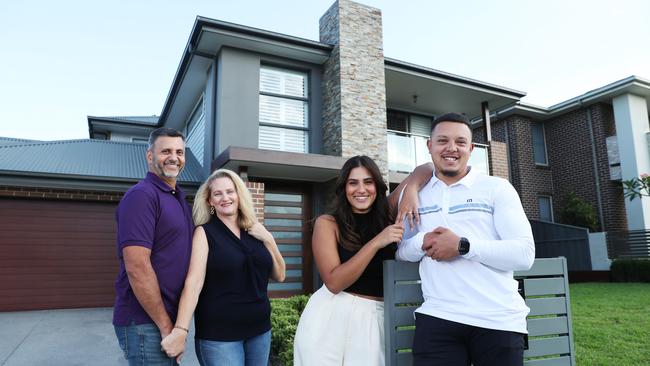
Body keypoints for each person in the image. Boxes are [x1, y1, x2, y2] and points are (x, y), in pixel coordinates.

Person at [397, 112, 535, 366]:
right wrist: (424, 241)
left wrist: (462, 246)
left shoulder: (497, 188)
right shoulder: (417, 196)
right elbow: (401, 249)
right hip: (438, 316)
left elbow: (524, 254)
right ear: (429, 146)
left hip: (498, 319)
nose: (451, 148)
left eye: (460, 142)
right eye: (442, 141)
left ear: (471, 148)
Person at [293, 155, 431, 366]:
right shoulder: (327, 223)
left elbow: (426, 168)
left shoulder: (388, 212)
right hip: (330, 316)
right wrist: (377, 242)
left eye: (368, 182)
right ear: (343, 188)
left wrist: (411, 189)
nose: (361, 189)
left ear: (377, 185)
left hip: (376, 317)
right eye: (353, 183)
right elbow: (334, 282)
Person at [161, 169, 286, 366]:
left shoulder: (255, 230)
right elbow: (194, 283)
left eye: (230, 191)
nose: (225, 198)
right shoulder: (204, 233)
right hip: (220, 335)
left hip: (260, 330)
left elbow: (279, 275)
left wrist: (269, 239)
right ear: (210, 201)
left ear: (239, 194)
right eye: (217, 194)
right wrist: (181, 329)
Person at [113, 127, 193, 366]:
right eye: (165, 151)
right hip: (145, 323)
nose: (173, 157)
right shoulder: (142, 196)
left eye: (179, 152)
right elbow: (137, 267)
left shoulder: (178, 197)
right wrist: (167, 326)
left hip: (167, 321)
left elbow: (208, 213)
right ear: (150, 156)